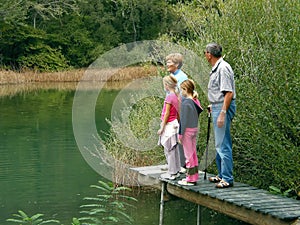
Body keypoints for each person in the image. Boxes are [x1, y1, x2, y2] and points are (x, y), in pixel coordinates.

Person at [204, 42, 236, 188]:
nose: (205, 55)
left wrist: (222, 112)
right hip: (217, 106)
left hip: (222, 108)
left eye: (205, 52)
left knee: (223, 144)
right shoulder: (217, 68)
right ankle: (222, 175)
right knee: (219, 143)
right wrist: (214, 105)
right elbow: (220, 92)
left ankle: (227, 178)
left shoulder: (223, 68)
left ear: (209, 54)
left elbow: (229, 93)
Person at [165, 53, 188, 172]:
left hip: (179, 112)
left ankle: (182, 165)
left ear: (177, 64)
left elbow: (182, 95)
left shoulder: (182, 77)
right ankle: (176, 164)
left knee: (179, 136)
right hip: (173, 113)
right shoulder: (172, 75)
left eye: (169, 62)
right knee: (172, 137)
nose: (167, 64)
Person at [177, 79, 203, 186]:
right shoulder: (195, 101)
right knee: (193, 154)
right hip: (194, 129)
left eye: (181, 90)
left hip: (187, 132)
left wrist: (180, 134)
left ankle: (190, 179)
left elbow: (183, 120)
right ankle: (194, 176)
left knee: (188, 155)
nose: (181, 92)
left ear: (185, 89)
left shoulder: (185, 103)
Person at [158, 75, 181, 180]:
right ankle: (176, 170)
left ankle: (172, 173)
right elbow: (178, 112)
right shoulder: (176, 95)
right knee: (174, 149)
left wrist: (162, 127)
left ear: (167, 85)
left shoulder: (169, 97)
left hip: (169, 125)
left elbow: (167, 113)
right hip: (175, 123)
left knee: (169, 149)